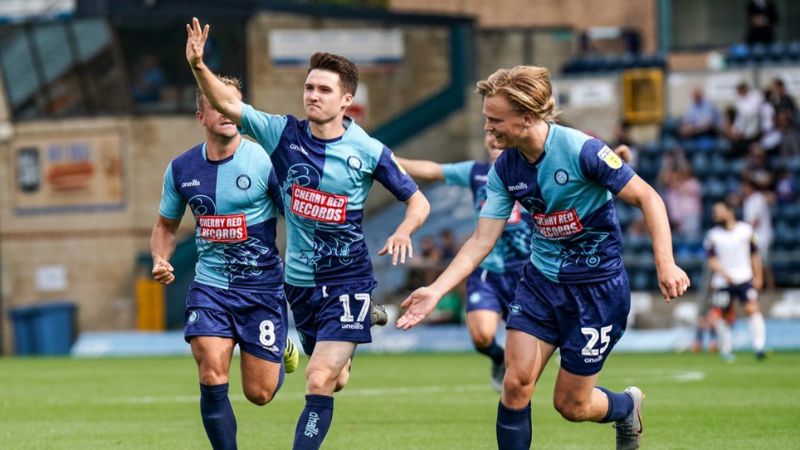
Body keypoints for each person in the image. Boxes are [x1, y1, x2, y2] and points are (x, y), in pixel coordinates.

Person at [397, 65, 690, 450]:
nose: (487, 128)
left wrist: (665, 263)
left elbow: (649, 198)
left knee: (571, 405)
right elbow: (482, 240)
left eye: (495, 120)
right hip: (541, 284)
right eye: (486, 119)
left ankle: (625, 407)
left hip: (597, 292)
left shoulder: (582, 150)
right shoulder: (505, 168)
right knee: (515, 385)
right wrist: (436, 290)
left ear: (527, 117)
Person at [186, 18, 430, 450]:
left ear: (346, 100)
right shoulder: (282, 134)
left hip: (348, 280)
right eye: (309, 87)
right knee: (335, 378)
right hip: (299, 285)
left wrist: (403, 230)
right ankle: (349, 343)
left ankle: (352, 329)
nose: (313, 95)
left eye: (324, 90)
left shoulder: (368, 151)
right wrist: (199, 66)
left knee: (317, 380)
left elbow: (419, 201)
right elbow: (227, 104)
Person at [150, 75, 300, 450]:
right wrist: (160, 258)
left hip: (261, 290)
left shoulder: (265, 161)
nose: (227, 112)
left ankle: (280, 347)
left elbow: (297, 222)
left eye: (232, 104)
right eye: (218, 105)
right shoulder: (181, 169)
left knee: (259, 393)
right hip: (210, 287)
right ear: (202, 116)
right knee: (211, 372)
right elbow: (165, 226)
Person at [396, 133, 534, 392]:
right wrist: (385, 159)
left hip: (526, 273)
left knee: (525, 360)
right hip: (487, 269)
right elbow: (433, 170)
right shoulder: (476, 172)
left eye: (498, 131)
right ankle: (497, 358)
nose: (493, 137)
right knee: (481, 335)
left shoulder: (533, 170)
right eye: (489, 132)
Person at [704, 200, 767, 361]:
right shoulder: (712, 235)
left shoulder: (746, 230)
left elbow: (755, 255)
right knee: (722, 315)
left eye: (719, 211)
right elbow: (711, 260)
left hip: (744, 277)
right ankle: (726, 349)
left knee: (752, 309)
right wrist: (724, 273)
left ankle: (759, 347)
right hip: (722, 281)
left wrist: (759, 277)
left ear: (729, 212)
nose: (715, 215)